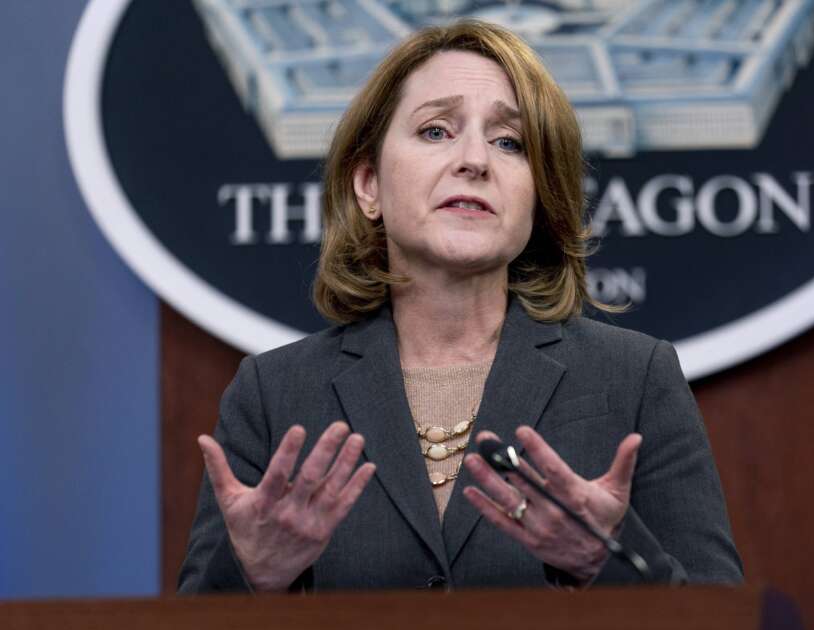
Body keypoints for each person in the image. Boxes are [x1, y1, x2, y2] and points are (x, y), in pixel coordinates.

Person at [178, 19, 742, 593]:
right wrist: (253, 575)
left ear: (539, 198)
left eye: (509, 142)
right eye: (436, 131)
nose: (475, 159)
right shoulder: (273, 394)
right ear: (369, 185)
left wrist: (607, 563)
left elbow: (719, 624)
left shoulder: (634, 379)